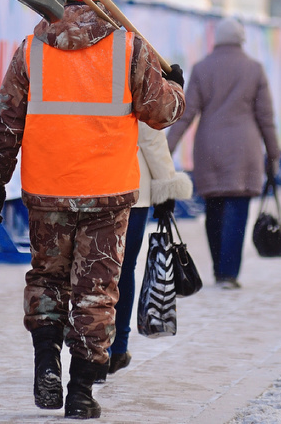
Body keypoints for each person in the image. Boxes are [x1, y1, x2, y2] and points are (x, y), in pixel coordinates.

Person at [0, 0, 185, 419]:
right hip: (107, 193)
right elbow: (161, 113)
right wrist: (176, 84)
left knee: (48, 278)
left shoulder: (31, 49)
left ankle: (46, 362)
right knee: (97, 290)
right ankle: (81, 391)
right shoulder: (129, 49)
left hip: (47, 189)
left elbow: (6, 121)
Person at [167, 17, 279, 290]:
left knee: (214, 210)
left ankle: (219, 267)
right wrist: (273, 154)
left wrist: (166, 147)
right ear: (241, 39)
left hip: (210, 150)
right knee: (238, 211)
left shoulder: (202, 68)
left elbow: (186, 113)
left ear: (217, 39)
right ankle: (228, 273)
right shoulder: (254, 70)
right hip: (245, 151)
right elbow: (266, 118)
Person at [107, 122, 193, 376]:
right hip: (133, 185)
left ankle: (93, 347)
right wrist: (166, 185)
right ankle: (117, 348)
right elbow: (149, 135)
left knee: (92, 268)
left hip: (90, 181)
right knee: (124, 268)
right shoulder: (136, 80)